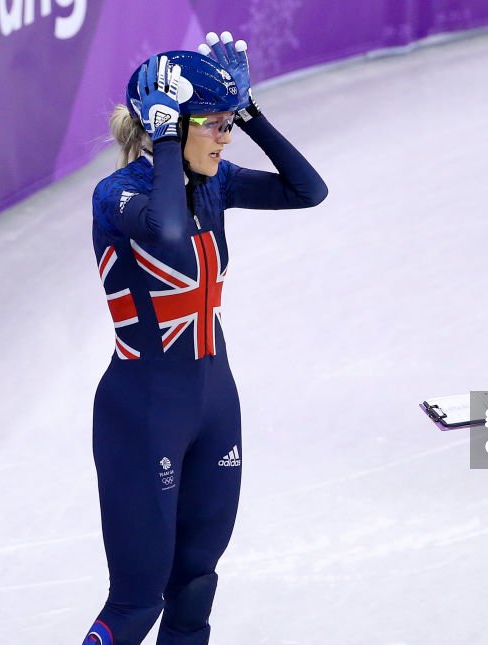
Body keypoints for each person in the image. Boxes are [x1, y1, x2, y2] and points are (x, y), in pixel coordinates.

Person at [82, 32, 327, 645]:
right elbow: (167, 231)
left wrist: (251, 111)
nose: (226, 138)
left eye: (228, 124)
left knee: (195, 584)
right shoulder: (118, 196)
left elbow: (308, 190)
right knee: (137, 601)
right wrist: (165, 142)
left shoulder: (214, 182)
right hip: (142, 412)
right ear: (167, 127)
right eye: (214, 125)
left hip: (214, 403)